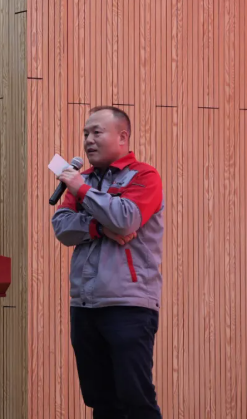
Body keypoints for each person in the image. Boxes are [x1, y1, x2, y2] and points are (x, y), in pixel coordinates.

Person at [52, 106, 164, 419]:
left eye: (96, 132)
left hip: (128, 304)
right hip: (84, 305)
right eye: (85, 133)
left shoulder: (144, 176)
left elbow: (126, 219)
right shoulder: (84, 178)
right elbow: (62, 226)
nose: (88, 140)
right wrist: (99, 228)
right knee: (100, 400)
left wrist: (82, 190)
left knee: (135, 399)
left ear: (122, 137)